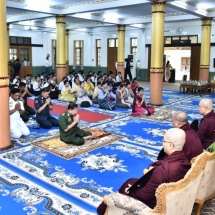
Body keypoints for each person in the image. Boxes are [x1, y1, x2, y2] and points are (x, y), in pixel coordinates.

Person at [97, 128, 191, 215]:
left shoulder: (162, 170)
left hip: (156, 203)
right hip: (171, 196)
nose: (162, 143)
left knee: (126, 188)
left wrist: (130, 191)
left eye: (164, 141)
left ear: (170, 145)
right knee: (131, 181)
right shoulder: (184, 160)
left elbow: (145, 195)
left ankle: (104, 211)